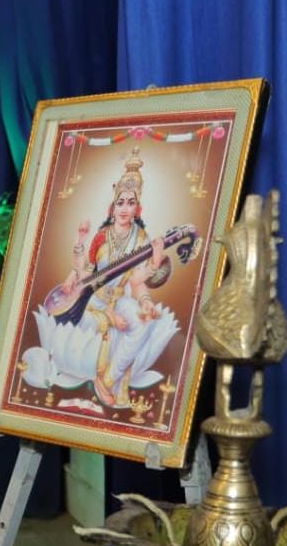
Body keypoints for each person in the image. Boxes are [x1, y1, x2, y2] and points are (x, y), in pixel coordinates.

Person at [23, 148, 179, 409]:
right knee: (83, 326)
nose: (125, 208)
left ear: (137, 207)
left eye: (131, 202)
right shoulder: (102, 235)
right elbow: (86, 269)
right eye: (120, 202)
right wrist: (79, 247)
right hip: (91, 300)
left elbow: (137, 282)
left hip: (119, 299)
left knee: (142, 323)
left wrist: (146, 296)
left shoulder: (140, 239)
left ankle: (107, 380)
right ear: (113, 205)